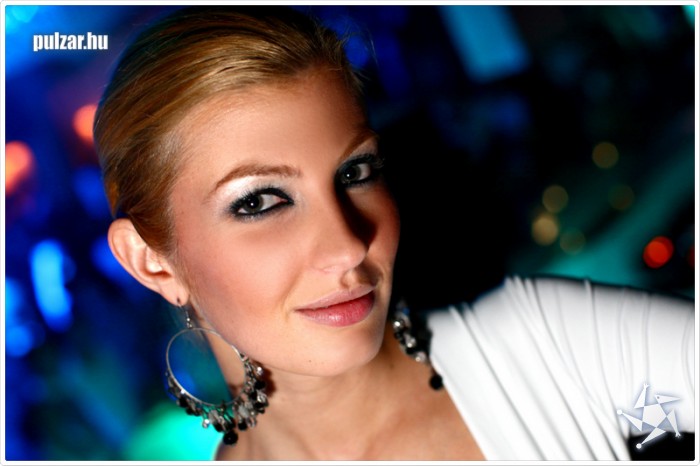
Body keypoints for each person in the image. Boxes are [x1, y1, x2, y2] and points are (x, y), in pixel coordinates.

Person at [93, 6, 694, 460]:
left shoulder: (553, 351)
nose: (348, 245)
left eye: (355, 173)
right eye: (259, 201)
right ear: (152, 261)